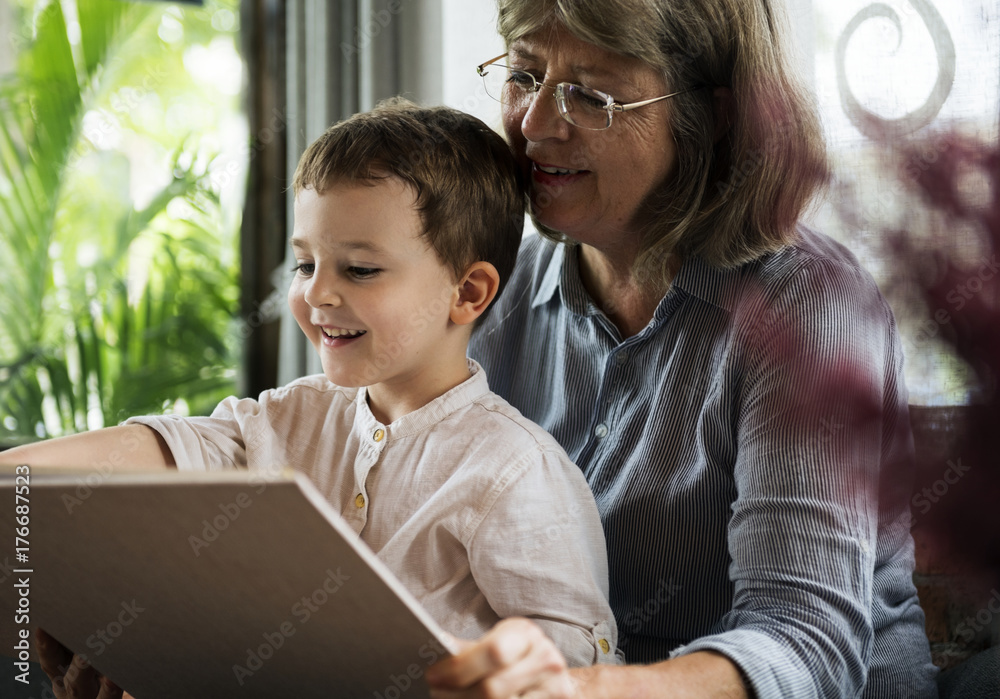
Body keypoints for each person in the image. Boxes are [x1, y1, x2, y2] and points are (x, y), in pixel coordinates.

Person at [1, 99, 620, 697]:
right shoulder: (288, 416)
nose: (317, 295)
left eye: (359, 270)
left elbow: (574, 660)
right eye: (304, 265)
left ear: (468, 292)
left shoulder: (515, 469)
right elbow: (171, 447)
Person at [425, 1, 940, 697]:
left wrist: (584, 690)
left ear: (714, 115)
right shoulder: (488, 293)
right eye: (523, 75)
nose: (536, 124)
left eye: (592, 94)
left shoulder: (809, 306)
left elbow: (802, 642)